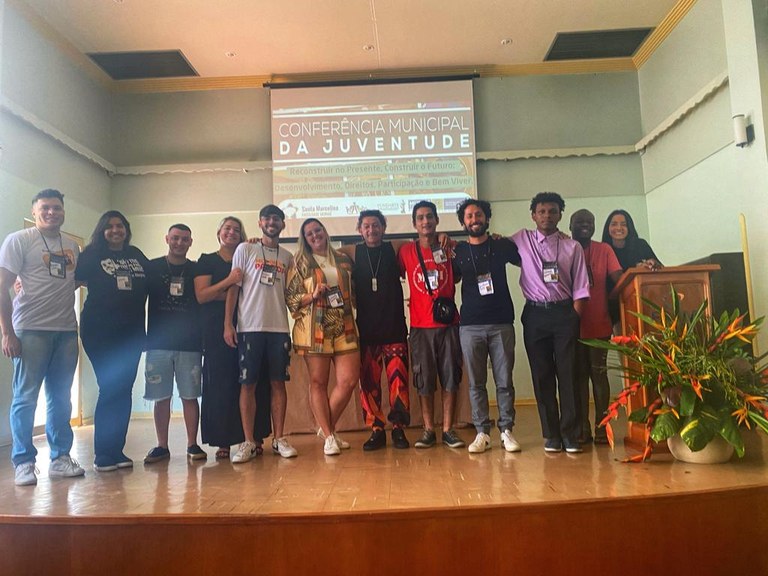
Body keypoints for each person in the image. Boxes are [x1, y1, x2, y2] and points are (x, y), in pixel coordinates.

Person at [0, 189, 84, 486]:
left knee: (61, 398)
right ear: (34, 212)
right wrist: (7, 332)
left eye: (57, 208)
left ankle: (60, 458)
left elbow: (70, 282)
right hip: (30, 330)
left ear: (63, 212)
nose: (51, 212)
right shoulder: (19, 240)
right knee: (25, 398)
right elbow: (2, 286)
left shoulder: (72, 246)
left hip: (66, 331)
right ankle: (23, 462)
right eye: (45, 208)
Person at [511, 192, 590, 454]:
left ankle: (570, 434)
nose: (547, 216)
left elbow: (581, 286)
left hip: (564, 314)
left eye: (552, 211)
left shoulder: (572, 247)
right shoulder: (521, 239)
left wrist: (573, 317)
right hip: (535, 315)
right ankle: (552, 435)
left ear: (560, 215)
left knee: (568, 374)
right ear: (533, 215)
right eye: (542, 211)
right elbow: (494, 245)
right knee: (542, 375)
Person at [76, 210, 149, 472]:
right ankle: (103, 454)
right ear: (102, 230)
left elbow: (156, 278)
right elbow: (67, 284)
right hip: (100, 333)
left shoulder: (136, 255)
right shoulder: (91, 255)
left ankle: (117, 450)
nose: (115, 230)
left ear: (126, 229)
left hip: (131, 335)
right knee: (110, 387)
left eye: (120, 226)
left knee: (124, 390)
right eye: (110, 226)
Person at [195, 217, 273, 460]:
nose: (231, 232)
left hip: (250, 326)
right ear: (219, 232)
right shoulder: (207, 260)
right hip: (217, 330)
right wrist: (230, 282)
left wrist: (227, 291)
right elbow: (202, 296)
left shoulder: (250, 255)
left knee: (253, 382)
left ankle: (254, 437)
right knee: (222, 384)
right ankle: (224, 441)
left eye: (237, 230)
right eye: (227, 228)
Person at [223, 205, 297, 461]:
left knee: (278, 384)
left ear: (283, 224)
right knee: (248, 384)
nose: (271, 222)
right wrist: (228, 324)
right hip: (249, 328)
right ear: (260, 222)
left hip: (279, 329)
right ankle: (248, 442)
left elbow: (291, 294)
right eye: (267, 218)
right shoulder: (245, 249)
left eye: (276, 219)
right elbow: (234, 287)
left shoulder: (288, 257)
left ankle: (279, 438)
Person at [453, 199, 522, 454]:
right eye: (469, 216)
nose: (474, 219)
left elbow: (528, 258)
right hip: (470, 325)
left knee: (504, 381)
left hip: (502, 322)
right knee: (476, 383)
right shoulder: (458, 251)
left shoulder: (501, 245)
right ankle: (482, 432)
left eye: (478, 214)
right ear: (463, 223)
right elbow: (449, 279)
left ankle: (506, 430)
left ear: (487, 218)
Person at [285, 218, 359, 456]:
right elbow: (291, 299)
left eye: (317, 230)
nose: (315, 235)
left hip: (345, 326)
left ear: (325, 231)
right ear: (304, 239)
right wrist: (312, 295)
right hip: (314, 329)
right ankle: (329, 436)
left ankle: (326, 428)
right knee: (318, 383)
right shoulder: (299, 262)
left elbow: (354, 292)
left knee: (349, 381)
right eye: (309, 233)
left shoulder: (343, 259)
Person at [398, 201, 464, 449]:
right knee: (423, 379)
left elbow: (460, 273)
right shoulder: (405, 251)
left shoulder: (450, 247)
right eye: (420, 218)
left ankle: (448, 429)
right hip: (419, 326)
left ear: (437, 220)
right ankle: (428, 430)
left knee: (450, 376)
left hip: (449, 325)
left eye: (429, 217)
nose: (425, 221)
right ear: (414, 224)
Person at [346, 210, 410, 450]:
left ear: (383, 227)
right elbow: (323, 252)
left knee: (399, 383)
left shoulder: (395, 248)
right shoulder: (352, 252)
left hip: (394, 328)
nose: (371, 230)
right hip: (367, 332)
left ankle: (399, 429)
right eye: (366, 226)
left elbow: (422, 241)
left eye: (375, 225)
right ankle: (376, 429)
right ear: (359, 230)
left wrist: (444, 236)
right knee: (369, 384)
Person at [143, 224, 206, 463]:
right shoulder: (152, 267)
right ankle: (162, 446)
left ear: (191, 242)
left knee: (190, 396)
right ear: (167, 239)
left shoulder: (197, 269)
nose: (179, 243)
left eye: (184, 239)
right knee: (161, 397)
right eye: (175, 238)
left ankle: (192, 444)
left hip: (190, 344)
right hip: (158, 343)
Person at [569, 209, 622, 445]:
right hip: (573, 326)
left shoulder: (604, 250)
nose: (585, 225)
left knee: (599, 376)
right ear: (570, 226)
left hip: (600, 323)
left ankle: (602, 428)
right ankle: (582, 428)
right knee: (579, 378)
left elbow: (620, 278)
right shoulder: (565, 248)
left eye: (590, 222)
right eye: (580, 222)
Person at [601, 209, 663, 327]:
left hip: (644, 302)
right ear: (607, 228)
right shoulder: (603, 249)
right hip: (615, 307)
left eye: (623, 224)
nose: (619, 228)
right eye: (614, 224)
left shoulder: (640, 245)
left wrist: (652, 264)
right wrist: (635, 269)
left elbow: (659, 268)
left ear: (629, 227)